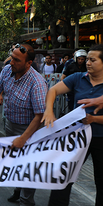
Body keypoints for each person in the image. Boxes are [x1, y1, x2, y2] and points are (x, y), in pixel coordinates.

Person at [0, 43, 47, 206]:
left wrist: (23, 138)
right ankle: (18, 190)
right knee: (16, 162)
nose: (11, 62)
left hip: (31, 130)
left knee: (29, 167)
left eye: (16, 60)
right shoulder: (7, 71)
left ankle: (26, 200)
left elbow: (40, 116)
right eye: (11, 58)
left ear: (28, 63)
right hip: (10, 124)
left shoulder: (37, 83)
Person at [42, 44, 103, 206]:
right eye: (87, 59)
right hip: (77, 137)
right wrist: (49, 110)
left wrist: (94, 119)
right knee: (63, 177)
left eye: (93, 60)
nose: (88, 63)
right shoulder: (77, 77)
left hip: (101, 138)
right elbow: (52, 91)